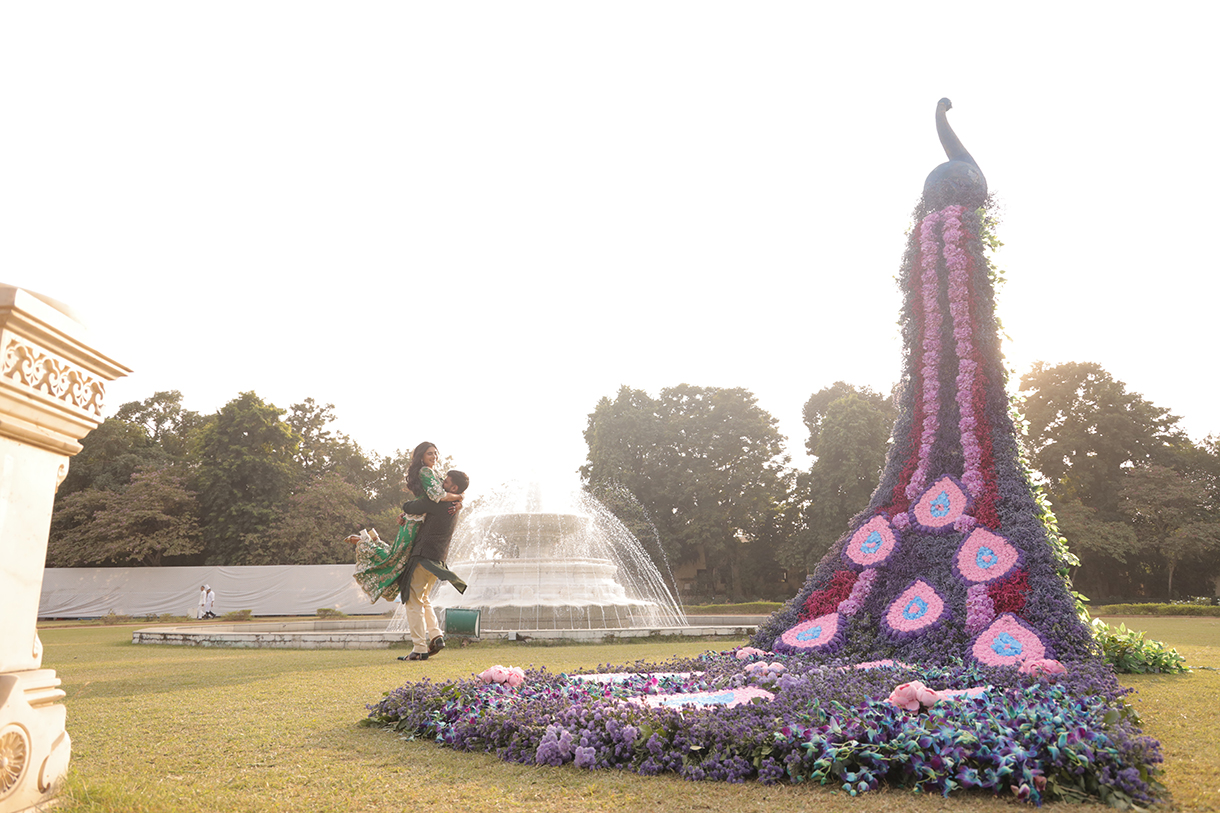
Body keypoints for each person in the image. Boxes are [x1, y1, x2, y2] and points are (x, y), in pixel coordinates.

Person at [349, 442, 463, 603]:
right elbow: (439, 496)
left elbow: (448, 491)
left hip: (419, 521)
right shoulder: (425, 471)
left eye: (436, 453)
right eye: (430, 453)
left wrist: (460, 499)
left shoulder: (435, 473)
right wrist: (459, 497)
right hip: (413, 524)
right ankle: (365, 542)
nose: (434, 456)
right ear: (421, 456)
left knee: (399, 558)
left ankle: (372, 540)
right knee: (396, 558)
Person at [395, 469, 470, 661]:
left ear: (454, 487)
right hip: (437, 559)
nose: (442, 483)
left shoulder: (438, 502)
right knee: (423, 598)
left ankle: (419, 649)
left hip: (424, 555)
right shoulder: (452, 505)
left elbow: (409, 506)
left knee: (412, 601)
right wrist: (459, 497)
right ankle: (436, 636)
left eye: (446, 482)